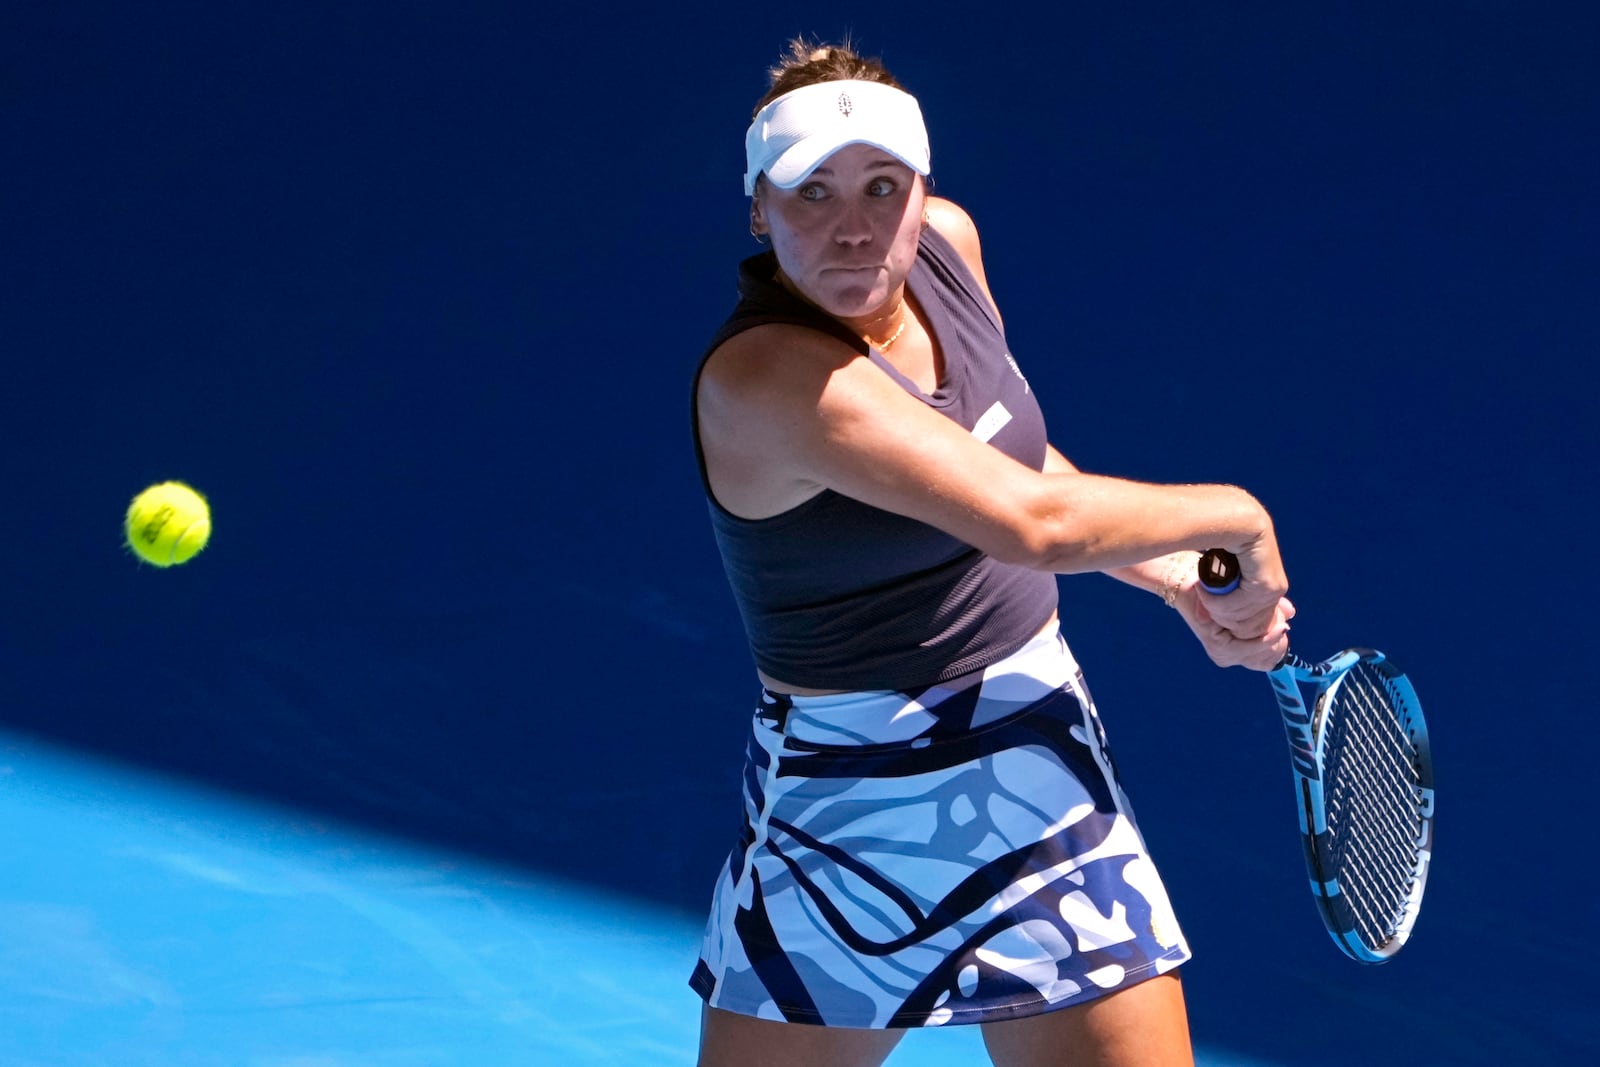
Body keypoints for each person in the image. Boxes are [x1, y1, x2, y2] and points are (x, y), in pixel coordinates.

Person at [688, 38, 1294, 1067]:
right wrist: (1233, 514)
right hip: (850, 799)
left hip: (1033, 749)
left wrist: (1169, 572)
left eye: (883, 187)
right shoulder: (769, 381)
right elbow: (1030, 523)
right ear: (757, 207)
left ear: (924, 189)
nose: (852, 227)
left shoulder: (945, 252)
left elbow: (998, 454)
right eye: (810, 194)